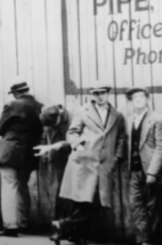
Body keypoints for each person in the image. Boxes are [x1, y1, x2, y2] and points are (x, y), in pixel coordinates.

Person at [56, 81, 126, 244]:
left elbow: (121, 137)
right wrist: (79, 147)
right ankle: (68, 230)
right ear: (91, 95)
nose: (100, 96)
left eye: (103, 93)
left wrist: (117, 157)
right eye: (96, 93)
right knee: (83, 200)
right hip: (84, 162)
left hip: (104, 164)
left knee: (94, 202)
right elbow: (72, 133)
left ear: (108, 93)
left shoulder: (117, 115)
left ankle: (69, 232)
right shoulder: (82, 111)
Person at [0, 76, 44, 237]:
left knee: (10, 186)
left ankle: (10, 225)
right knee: (22, 186)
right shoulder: (40, 107)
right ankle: (23, 222)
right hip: (30, 152)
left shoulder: (13, 105)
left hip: (11, 152)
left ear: (15, 93)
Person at [124, 87, 162, 245]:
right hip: (135, 171)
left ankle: (150, 241)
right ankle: (143, 240)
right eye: (134, 97)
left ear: (147, 99)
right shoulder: (130, 119)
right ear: (131, 101)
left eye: (141, 96)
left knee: (152, 207)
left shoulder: (157, 119)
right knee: (136, 206)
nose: (137, 99)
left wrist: (152, 173)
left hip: (151, 172)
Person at [34, 103, 72, 223]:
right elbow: (44, 137)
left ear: (59, 117)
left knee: (68, 194)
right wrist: (45, 152)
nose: (52, 128)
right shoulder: (47, 120)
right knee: (58, 193)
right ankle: (59, 224)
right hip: (56, 162)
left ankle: (66, 225)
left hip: (70, 160)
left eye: (54, 124)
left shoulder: (71, 121)